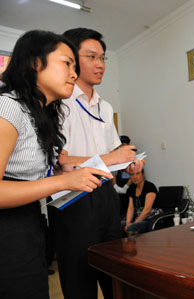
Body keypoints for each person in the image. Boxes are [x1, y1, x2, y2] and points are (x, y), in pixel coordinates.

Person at [0, 30, 112, 299]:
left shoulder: (39, 114)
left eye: (75, 66)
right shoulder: (8, 108)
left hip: (29, 224)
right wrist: (62, 181)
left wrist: (63, 170)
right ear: (35, 63)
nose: (73, 73)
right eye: (66, 63)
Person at [52, 28, 143, 299]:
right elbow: (60, 160)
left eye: (103, 57)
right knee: (80, 281)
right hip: (72, 198)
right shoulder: (59, 103)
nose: (100, 64)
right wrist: (110, 158)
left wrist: (127, 163)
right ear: (71, 60)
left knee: (115, 272)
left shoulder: (105, 106)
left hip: (105, 194)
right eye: (91, 56)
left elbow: (112, 151)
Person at [123, 169, 160, 234]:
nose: (135, 177)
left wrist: (134, 223)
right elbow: (131, 208)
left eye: (138, 173)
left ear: (143, 175)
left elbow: (147, 210)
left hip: (151, 218)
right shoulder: (132, 188)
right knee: (119, 226)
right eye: (132, 174)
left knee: (132, 227)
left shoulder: (150, 186)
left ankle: (131, 244)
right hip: (138, 217)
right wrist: (128, 223)